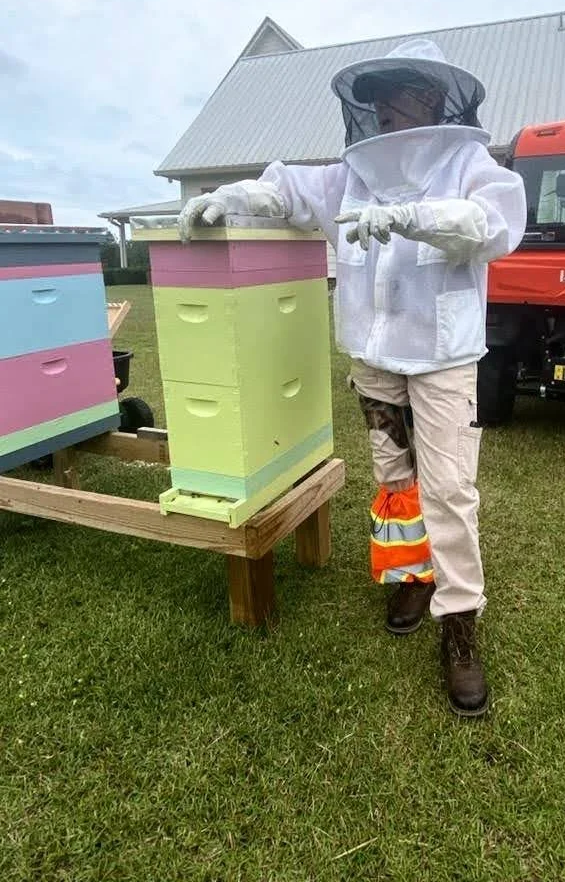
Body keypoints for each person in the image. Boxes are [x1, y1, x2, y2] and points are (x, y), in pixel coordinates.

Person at [178, 39, 526, 716]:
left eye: (400, 96)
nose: (387, 109)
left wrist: (415, 218)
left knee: (450, 489)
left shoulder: (468, 165)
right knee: (394, 477)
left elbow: (495, 224)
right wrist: (229, 194)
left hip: (444, 357)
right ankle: (414, 576)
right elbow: (285, 191)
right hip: (373, 355)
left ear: (434, 100)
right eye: (378, 99)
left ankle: (460, 627)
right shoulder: (354, 173)